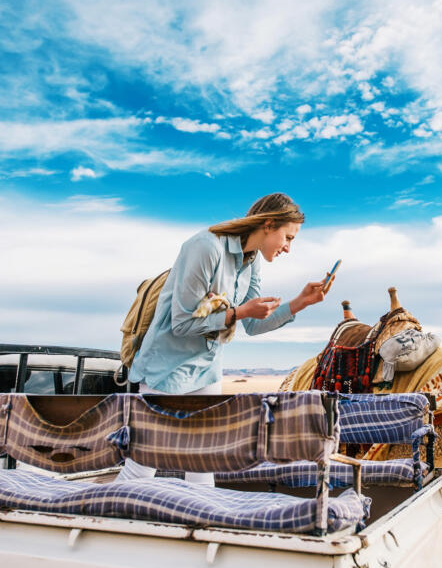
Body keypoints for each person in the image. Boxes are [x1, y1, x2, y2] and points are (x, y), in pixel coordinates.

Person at [118, 193, 331, 483]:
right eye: (288, 237)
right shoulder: (204, 247)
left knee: (203, 461)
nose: (288, 248)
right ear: (269, 224)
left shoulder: (252, 260)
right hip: (165, 370)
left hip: (205, 371)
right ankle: (99, 520)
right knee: (145, 463)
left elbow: (253, 325)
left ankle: (201, 524)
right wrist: (238, 313)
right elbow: (181, 325)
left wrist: (299, 303)